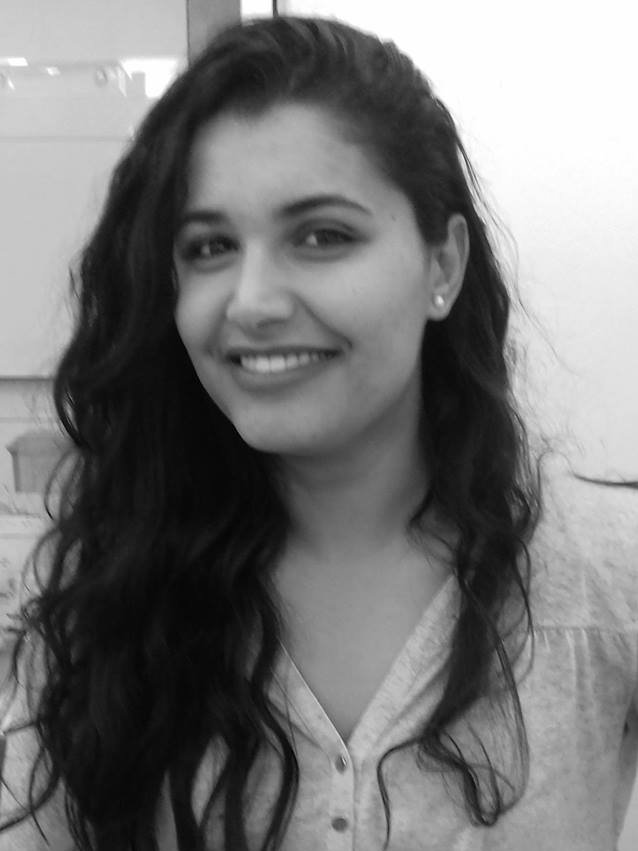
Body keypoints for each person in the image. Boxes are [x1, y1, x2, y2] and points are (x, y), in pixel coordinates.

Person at [0, 13, 636, 851]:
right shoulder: (103, 586)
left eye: (323, 235)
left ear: (443, 264)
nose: (252, 301)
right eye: (209, 246)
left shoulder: (601, 572)